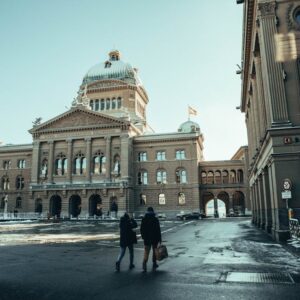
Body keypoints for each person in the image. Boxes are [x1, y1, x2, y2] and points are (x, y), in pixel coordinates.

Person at [140, 206, 162, 272]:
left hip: (146, 239)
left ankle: (144, 264)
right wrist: (160, 238)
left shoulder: (144, 219)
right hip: (154, 238)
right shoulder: (155, 219)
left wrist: (143, 237)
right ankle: (154, 263)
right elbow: (158, 230)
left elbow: (142, 229)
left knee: (146, 252)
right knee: (155, 251)